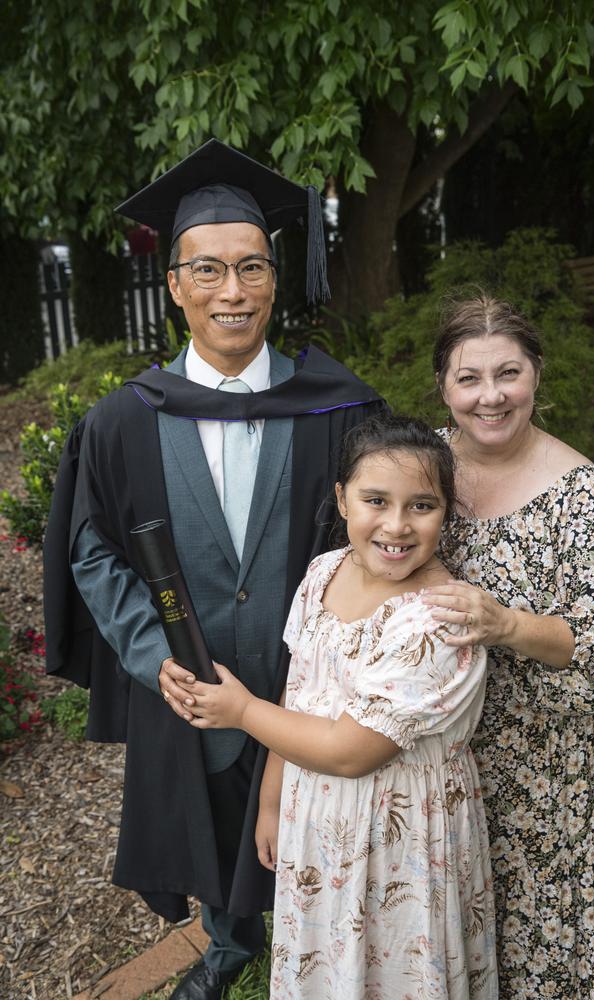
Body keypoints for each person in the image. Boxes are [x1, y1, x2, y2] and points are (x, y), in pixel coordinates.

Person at [43, 138, 386, 1000]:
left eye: (252, 268)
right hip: (187, 677)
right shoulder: (122, 421)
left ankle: (335, 950)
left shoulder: (338, 407)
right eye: (207, 271)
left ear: (276, 277)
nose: (231, 292)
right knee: (210, 820)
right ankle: (232, 942)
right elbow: (89, 547)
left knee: (321, 820)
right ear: (174, 285)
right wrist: (143, 650)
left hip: (306, 680)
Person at [167, 414, 499, 999]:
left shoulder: (437, 622)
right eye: (376, 500)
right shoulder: (324, 573)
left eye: (422, 506)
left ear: (447, 512)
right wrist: (271, 803)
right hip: (314, 817)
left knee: (396, 968)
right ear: (342, 499)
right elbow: (298, 696)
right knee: (329, 966)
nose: (396, 525)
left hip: (402, 836)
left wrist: (241, 712)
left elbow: (351, 753)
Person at [419, 296, 594, 999]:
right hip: (434, 762)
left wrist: (507, 624)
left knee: (543, 953)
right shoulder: (419, 472)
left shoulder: (590, 500)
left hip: (543, 773)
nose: (491, 396)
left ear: (536, 375)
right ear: (444, 387)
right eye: (469, 379)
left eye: (508, 373)